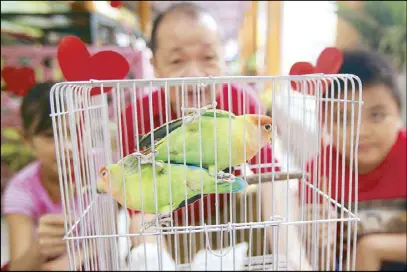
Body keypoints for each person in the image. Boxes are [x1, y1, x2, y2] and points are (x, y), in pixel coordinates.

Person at [122, 2, 277, 225]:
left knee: (257, 198)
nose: (195, 75)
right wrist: (153, 255)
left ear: (223, 59)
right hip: (168, 225)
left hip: (227, 218)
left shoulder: (241, 101)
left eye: (208, 58)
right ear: (155, 66)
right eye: (177, 61)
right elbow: (138, 204)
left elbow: (271, 175)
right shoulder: (137, 115)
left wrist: (291, 254)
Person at [303, 49, 406, 271]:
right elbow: (322, 265)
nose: (361, 131)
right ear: (325, 124)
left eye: (376, 115)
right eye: (343, 119)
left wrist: (371, 248)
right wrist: (318, 241)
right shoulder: (318, 172)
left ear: (399, 114)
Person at [2, 82, 89, 271]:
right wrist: (38, 249)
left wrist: (72, 259)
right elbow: (17, 266)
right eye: (51, 135)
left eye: (74, 131)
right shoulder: (21, 189)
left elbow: (109, 239)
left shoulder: (101, 171)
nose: (67, 146)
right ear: (27, 140)